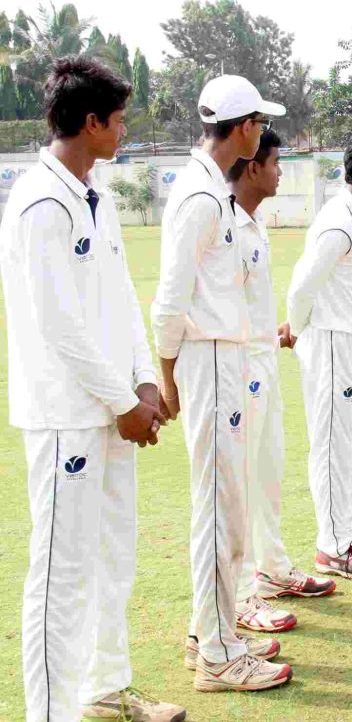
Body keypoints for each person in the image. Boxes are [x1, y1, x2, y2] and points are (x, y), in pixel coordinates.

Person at [0, 56, 184, 722]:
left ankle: (105, 685)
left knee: (113, 554)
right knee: (60, 573)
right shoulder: (40, 202)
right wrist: (122, 401)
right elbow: (58, 326)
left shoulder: (91, 194)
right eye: (119, 120)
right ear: (90, 122)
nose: (124, 131)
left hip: (113, 410)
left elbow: (116, 301)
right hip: (68, 415)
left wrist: (142, 379)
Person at [151, 74, 291, 693]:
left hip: (223, 358)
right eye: (259, 124)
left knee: (229, 502)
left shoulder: (214, 191)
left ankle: (208, 629)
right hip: (206, 360)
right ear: (241, 128)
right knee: (219, 504)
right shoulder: (201, 197)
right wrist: (168, 378)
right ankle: (217, 654)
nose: (262, 135)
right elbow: (169, 299)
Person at [226, 130, 336, 625]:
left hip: (262, 361)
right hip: (234, 372)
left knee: (268, 472)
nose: (280, 173)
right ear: (252, 167)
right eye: (275, 163)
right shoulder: (222, 219)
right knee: (241, 481)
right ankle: (243, 592)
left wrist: (271, 335)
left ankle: (271, 570)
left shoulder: (253, 223)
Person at [284, 133, 352, 579]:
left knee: (345, 443)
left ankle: (344, 530)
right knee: (331, 445)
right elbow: (300, 286)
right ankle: (331, 548)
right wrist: (297, 329)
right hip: (328, 341)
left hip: (344, 338)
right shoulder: (339, 222)